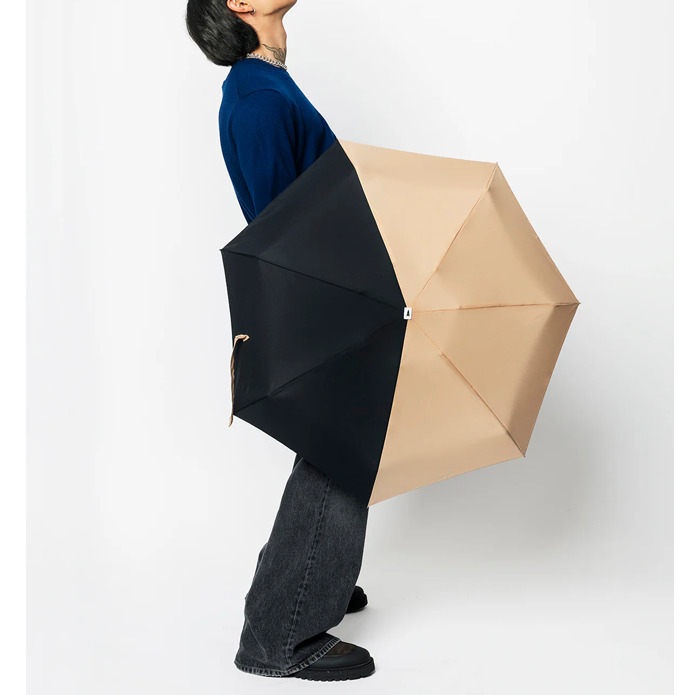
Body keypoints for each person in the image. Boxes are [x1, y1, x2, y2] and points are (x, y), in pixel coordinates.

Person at [185, 0, 376, 681]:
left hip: (328, 288)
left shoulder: (266, 83)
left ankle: (315, 574)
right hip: (314, 294)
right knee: (341, 448)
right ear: (240, 5)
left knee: (343, 446)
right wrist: (337, 305)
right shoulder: (259, 98)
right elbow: (282, 224)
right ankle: (280, 631)